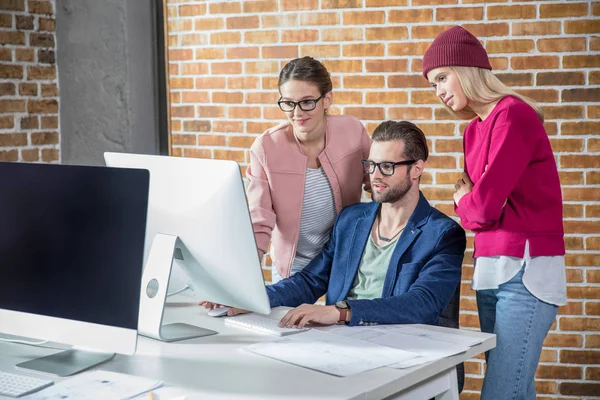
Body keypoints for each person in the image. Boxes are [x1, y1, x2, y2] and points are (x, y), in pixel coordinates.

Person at [422, 25, 566, 400]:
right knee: (517, 386)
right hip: (488, 270)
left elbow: (481, 208)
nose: (438, 90)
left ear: (467, 68)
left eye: (441, 77)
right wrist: (472, 203)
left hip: (526, 272)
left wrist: (465, 200)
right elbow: (478, 214)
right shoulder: (472, 131)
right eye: (432, 83)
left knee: (503, 391)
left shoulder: (513, 114)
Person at [247, 56, 372, 283]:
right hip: (292, 265)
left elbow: (379, 184)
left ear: (327, 100)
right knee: (285, 319)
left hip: (345, 259)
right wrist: (239, 279)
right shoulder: (265, 147)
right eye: (288, 103)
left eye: (307, 102)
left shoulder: (352, 131)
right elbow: (258, 220)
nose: (297, 112)